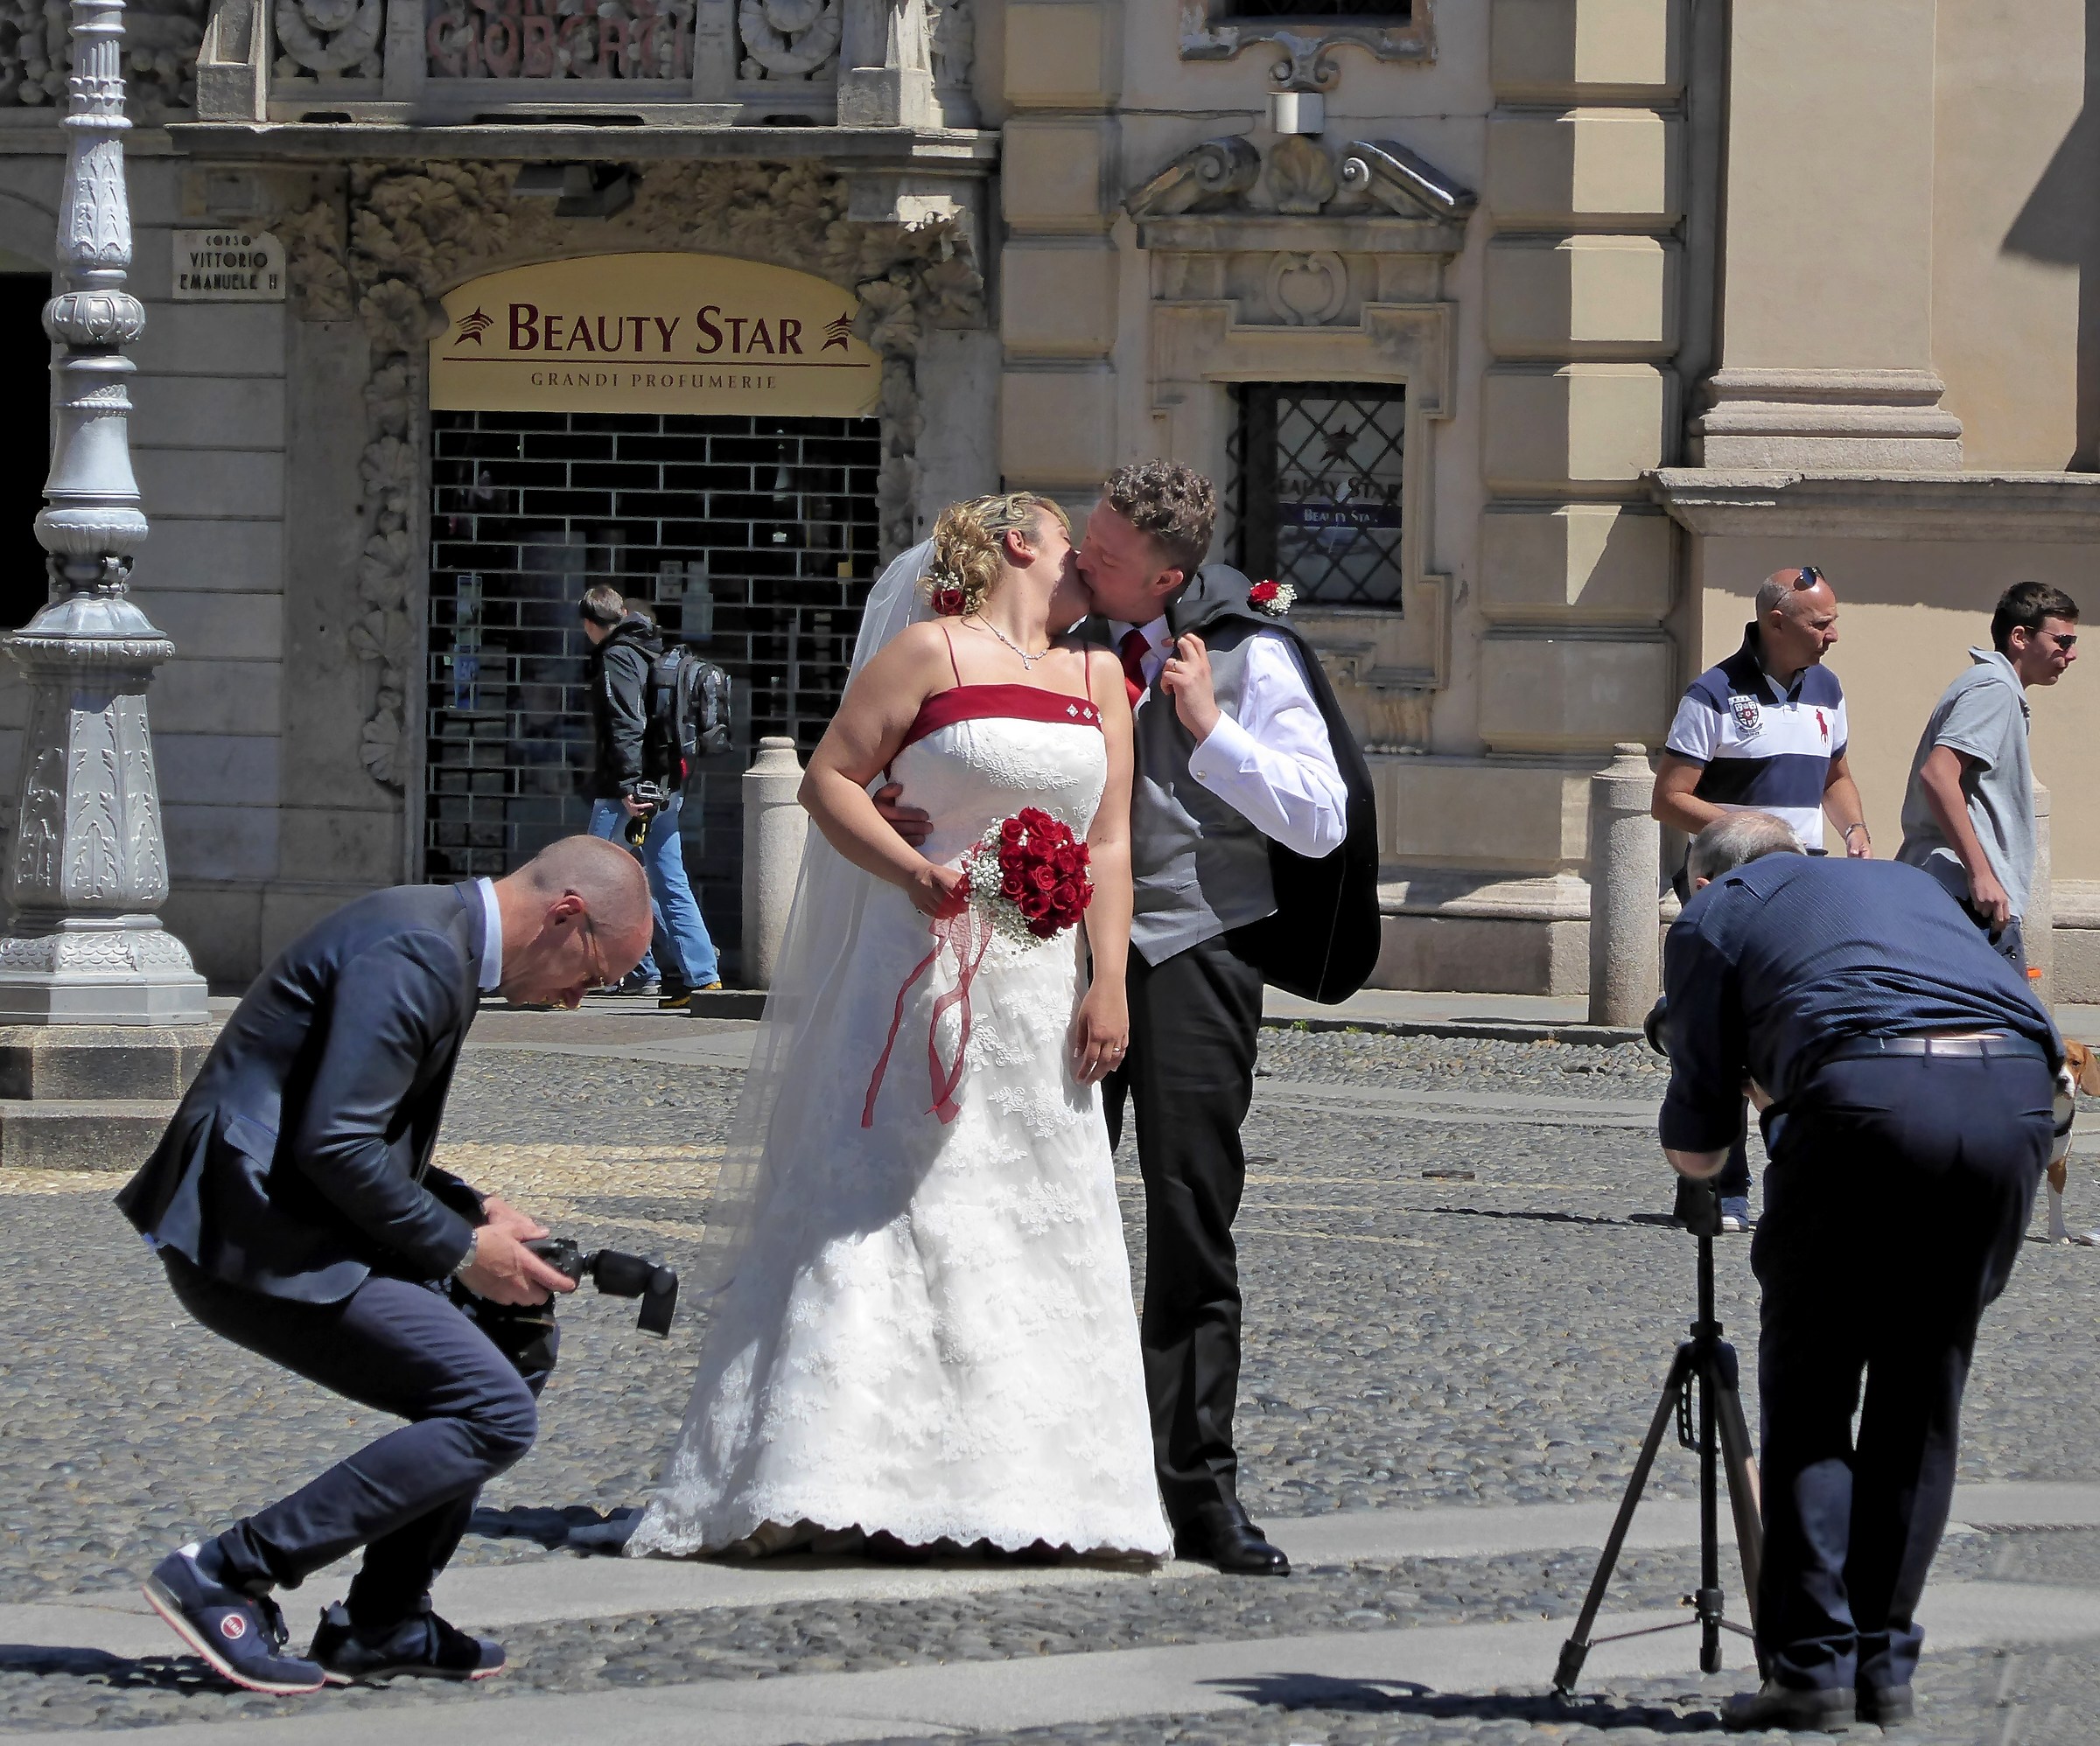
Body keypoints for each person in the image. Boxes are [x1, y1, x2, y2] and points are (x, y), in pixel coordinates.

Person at [626, 492, 1171, 1562]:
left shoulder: (1098, 674)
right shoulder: (929, 653)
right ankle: (828, 1471)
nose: (1085, 568)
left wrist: (1108, 980)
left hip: (1039, 986)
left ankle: (1047, 1489)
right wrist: (910, 864)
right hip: (917, 959)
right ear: (1022, 544)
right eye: (1073, 546)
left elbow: (1107, 842)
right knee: (880, 1205)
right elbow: (832, 777)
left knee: (1028, 1214)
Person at [116, 838, 654, 1694]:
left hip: (289, 1215)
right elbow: (333, 1144)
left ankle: (385, 1619)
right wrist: (461, 1248)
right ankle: (226, 1571)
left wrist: (477, 1211)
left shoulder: (436, 941)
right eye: (599, 972)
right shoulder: (417, 952)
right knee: (492, 1410)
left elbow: (354, 1131)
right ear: (565, 916)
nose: (580, 997)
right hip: (251, 1234)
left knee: (514, 1348)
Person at [1658, 812, 2058, 1733]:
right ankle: (1884, 1670)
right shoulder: (1905, 883)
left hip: (1865, 1098)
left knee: (1813, 1387)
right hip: (2015, 1100)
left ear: (1703, 879)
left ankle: (1812, 1673)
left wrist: (1757, 1100)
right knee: (1920, 1393)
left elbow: (1697, 1148)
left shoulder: (1716, 915)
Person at [1649, 564, 1871, 1233]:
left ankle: (1798, 1181)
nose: (1833, 634)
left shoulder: (1828, 688)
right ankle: (1719, 1185)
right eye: (1821, 622)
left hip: (1804, 893)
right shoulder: (1713, 692)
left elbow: (1837, 775)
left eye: (1833, 620)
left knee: (1799, 1034)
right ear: (1778, 622)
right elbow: (1670, 797)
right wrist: (1753, 835)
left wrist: (1855, 829)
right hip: (1731, 891)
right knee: (1717, 1042)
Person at [1896, 580, 2079, 971]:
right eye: (2063, 641)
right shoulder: (1993, 689)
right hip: (1966, 897)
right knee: (1994, 1030)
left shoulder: (1990, 686)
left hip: (1956, 893)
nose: (2072, 654)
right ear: (2020, 637)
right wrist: (1982, 874)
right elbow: (1939, 774)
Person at [578, 583, 721, 1005]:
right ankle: (699, 974)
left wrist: (625, 785)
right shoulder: (656, 649)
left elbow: (627, 724)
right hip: (664, 784)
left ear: (590, 624)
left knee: (587, 877)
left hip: (629, 790)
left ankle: (563, 977)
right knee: (665, 881)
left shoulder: (617, 656)